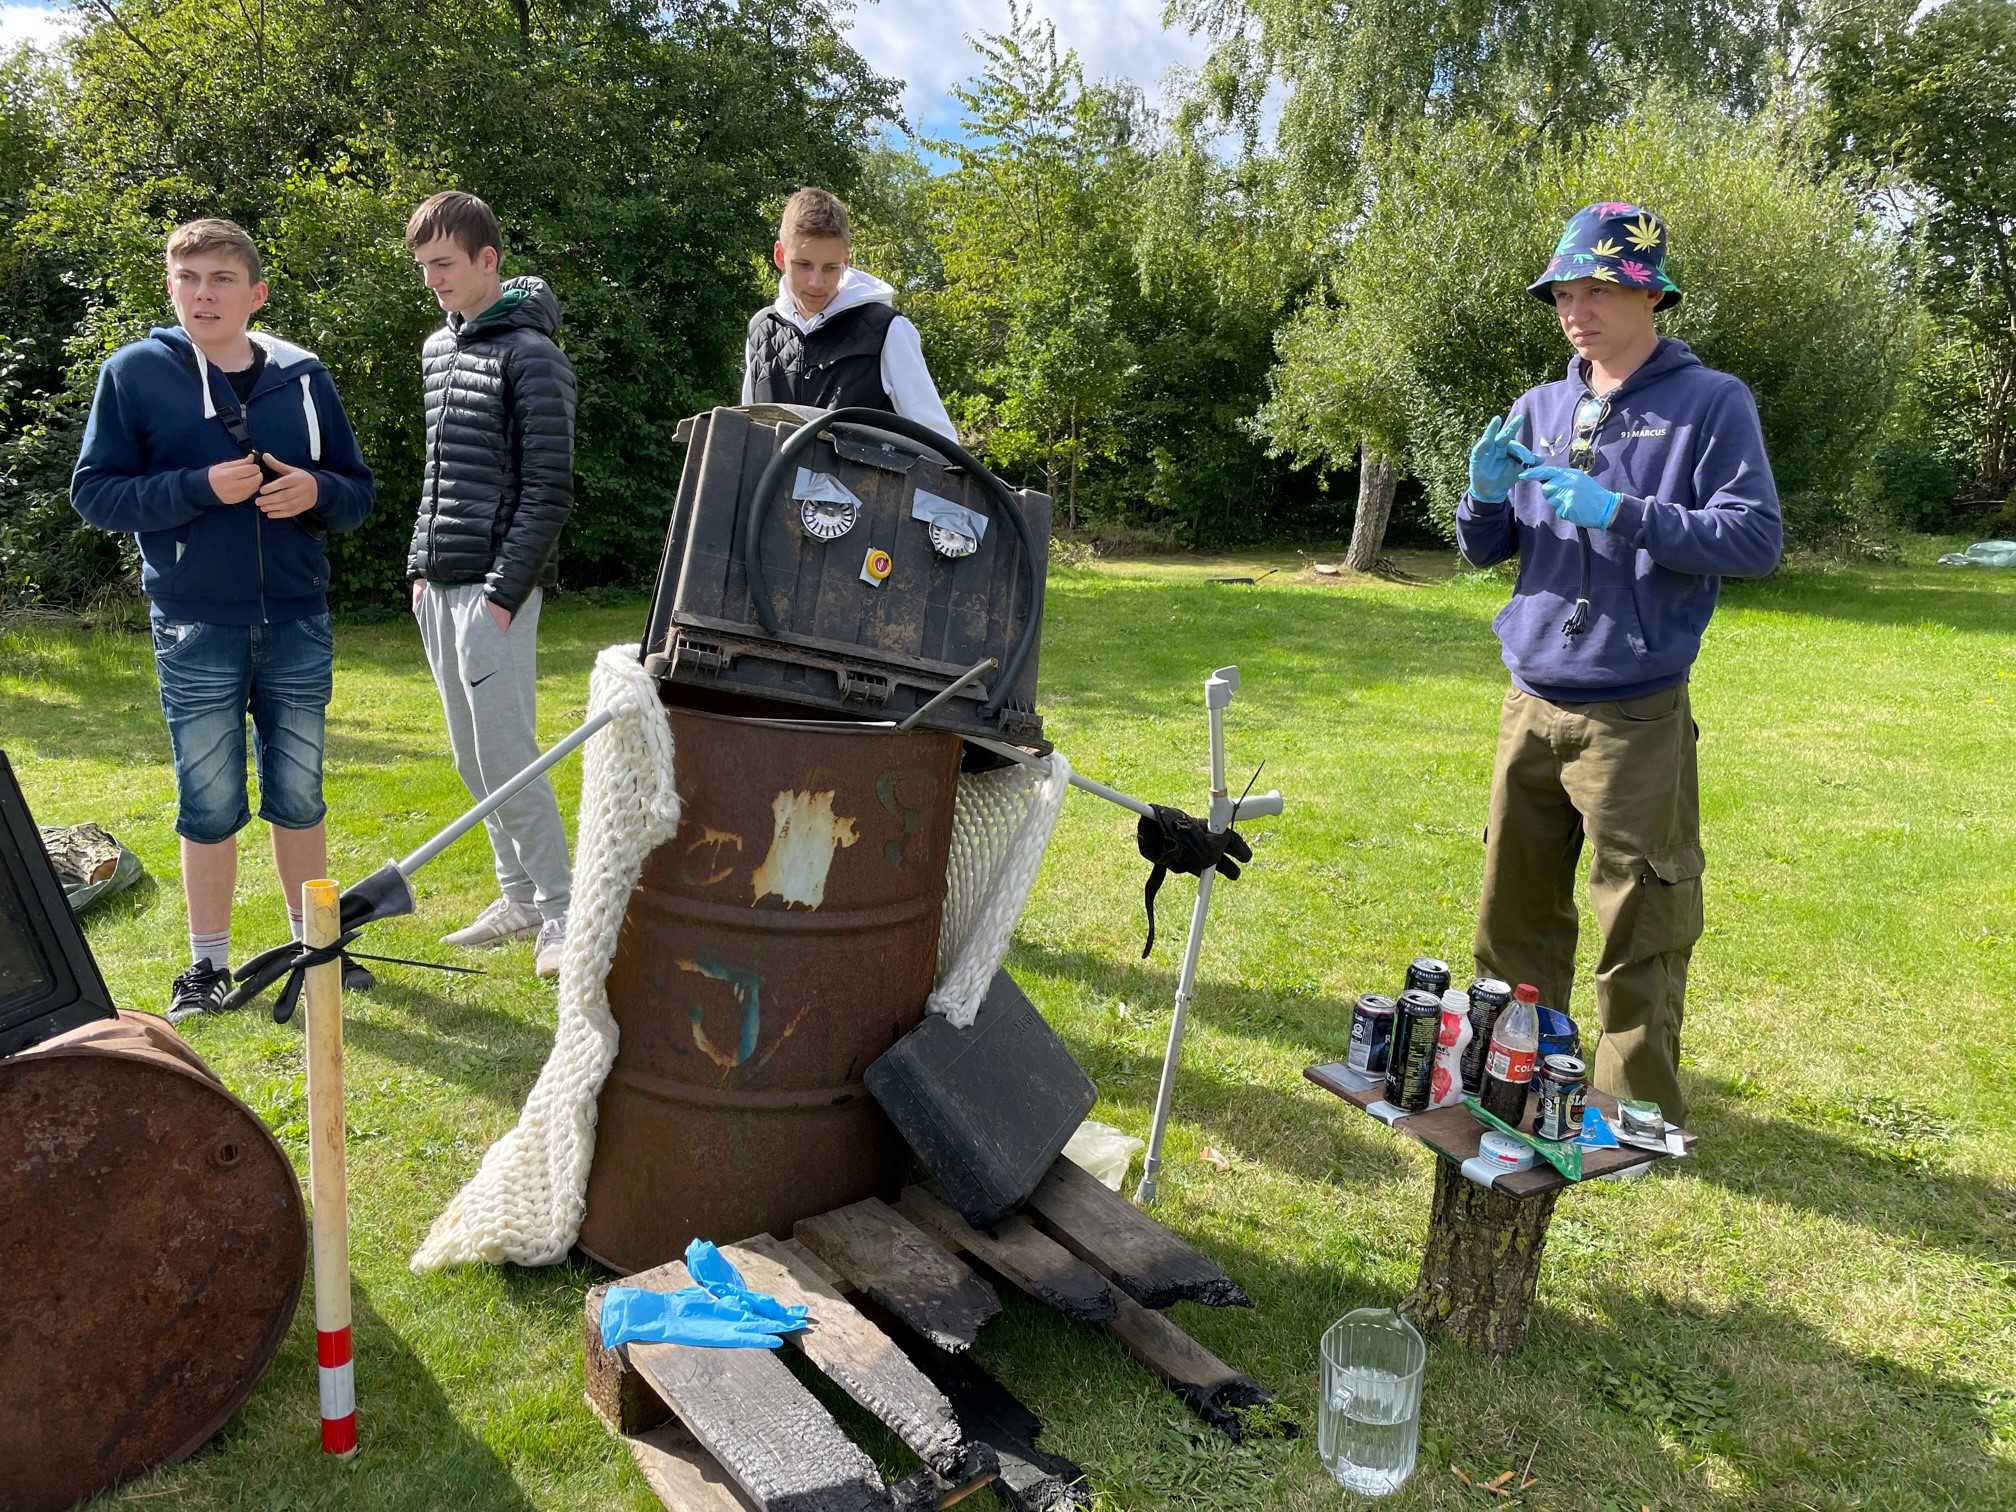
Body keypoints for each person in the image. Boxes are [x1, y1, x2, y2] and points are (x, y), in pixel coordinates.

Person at [1456, 201, 1783, 1127]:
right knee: (1511, 915)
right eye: (1564, 293)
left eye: (1597, 289)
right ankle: (1511, 1084)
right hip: (1530, 700)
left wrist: (1623, 512)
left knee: (1641, 920)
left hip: (1633, 713)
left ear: (1651, 294)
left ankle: (1633, 1117)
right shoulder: (1539, 407)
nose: (1576, 310)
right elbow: (1485, 550)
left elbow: (1754, 539)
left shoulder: (1708, 402)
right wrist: (1482, 500)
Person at [71, 217, 376, 1023]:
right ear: (171, 287)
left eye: (221, 280)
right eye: (188, 279)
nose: (203, 295)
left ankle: (316, 948)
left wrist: (317, 491)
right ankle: (206, 967)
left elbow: (356, 492)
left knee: (300, 795)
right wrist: (199, 487)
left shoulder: (303, 376)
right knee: (207, 801)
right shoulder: (134, 373)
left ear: (256, 294)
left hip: (297, 617)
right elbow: (94, 493)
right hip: (194, 622)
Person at [405, 190, 577, 980]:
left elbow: (549, 489)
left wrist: (504, 594)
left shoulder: (533, 356)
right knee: (471, 763)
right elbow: (436, 473)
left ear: (487, 260)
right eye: (423, 266)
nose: (433, 279)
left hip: (495, 591)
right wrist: (419, 567)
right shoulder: (437, 350)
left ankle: (563, 909)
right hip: (439, 583)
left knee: (509, 759)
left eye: (444, 264)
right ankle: (517, 898)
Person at [742, 186, 956, 439]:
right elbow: (748, 432)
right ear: (780, 255)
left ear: (845, 260)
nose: (816, 282)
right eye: (803, 265)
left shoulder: (887, 330)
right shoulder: (762, 329)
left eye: (830, 267)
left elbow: (939, 441)